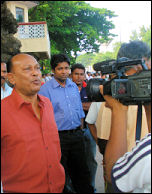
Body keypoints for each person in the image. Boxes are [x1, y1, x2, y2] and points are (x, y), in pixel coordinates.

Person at [85, 40, 151, 192]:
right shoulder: (110, 95)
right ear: (140, 65)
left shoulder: (112, 95)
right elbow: (100, 134)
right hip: (121, 174)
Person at [1, 53, 65, 193]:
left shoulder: (47, 104)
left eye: (37, 68)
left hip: (57, 188)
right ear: (12, 78)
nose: (36, 73)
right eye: (27, 69)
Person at [39, 54, 94, 193]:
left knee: (82, 172)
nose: (64, 71)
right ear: (53, 70)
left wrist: (80, 130)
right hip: (58, 138)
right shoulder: (45, 90)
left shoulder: (73, 86)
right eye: (60, 68)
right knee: (61, 174)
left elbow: (79, 111)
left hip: (77, 135)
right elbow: (44, 117)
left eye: (66, 68)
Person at [99, 84, 151, 193]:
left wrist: (118, 109)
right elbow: (102, 136)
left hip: (123, 171)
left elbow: (112, 174)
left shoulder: (147, 152)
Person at [71, 63, 97, 191]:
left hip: (89, 129)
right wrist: (84, 105)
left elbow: (94, 106)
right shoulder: (67, 89)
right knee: (74, 162)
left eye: (82, 74)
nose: (79, 77)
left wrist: (76, 105)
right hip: (73, 131)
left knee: (90, 159)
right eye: (76, 74)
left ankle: (91, 186)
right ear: (71, 75)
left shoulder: (90, 90)